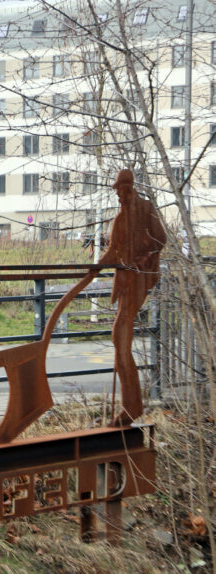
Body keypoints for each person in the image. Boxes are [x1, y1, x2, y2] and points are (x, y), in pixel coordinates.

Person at [98, 170, 166, 426]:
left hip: (138, 279)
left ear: (127, 188)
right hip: (126, 281)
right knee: (120, 342)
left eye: (118, 189)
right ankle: (131, 405)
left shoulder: (146, 209)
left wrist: (146, 257)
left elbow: (161, 238)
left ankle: (131, 407)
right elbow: (113, 252)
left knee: (120, 338)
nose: (117, 194)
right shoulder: (121, 218)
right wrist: (94, 267)